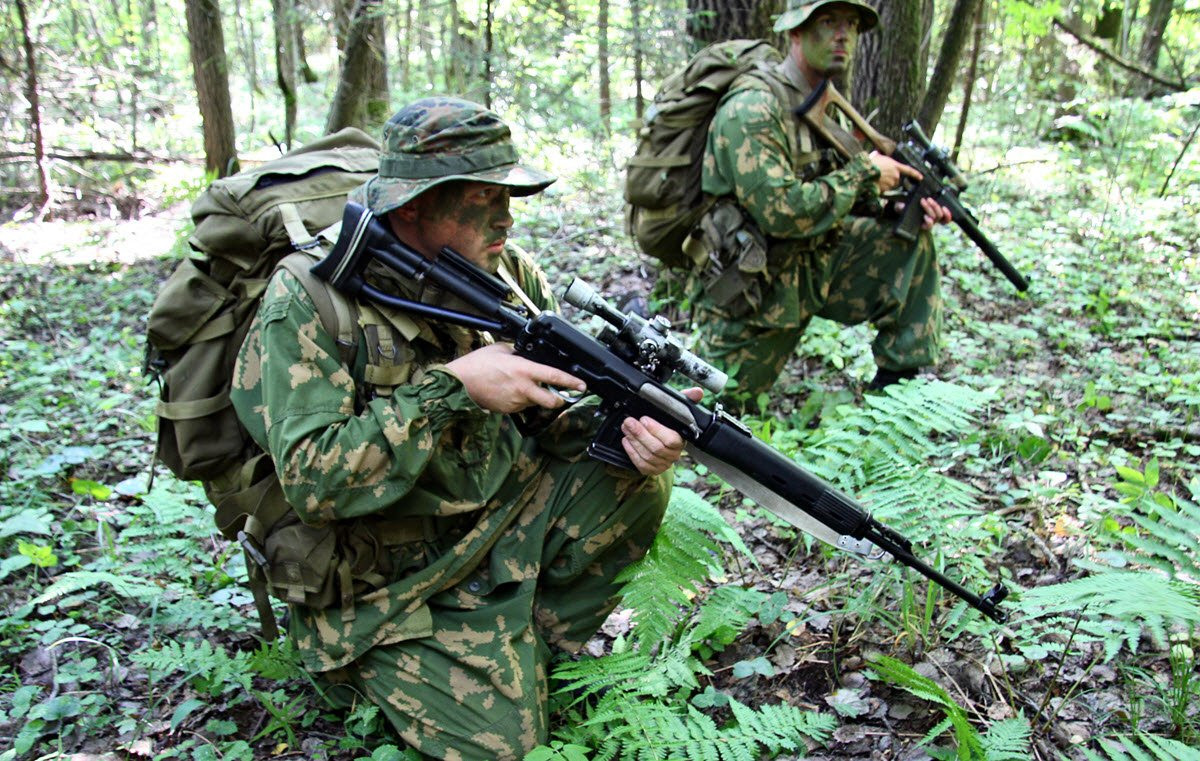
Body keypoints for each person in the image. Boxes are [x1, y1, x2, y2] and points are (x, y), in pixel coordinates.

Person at [230, 97, 698, 760]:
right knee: (505, 751)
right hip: (381, 586)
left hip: (488, 529)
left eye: (510, 194)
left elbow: (554, 425)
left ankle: (528, 646)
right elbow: (314, 482)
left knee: (630, 479)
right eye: (481, 198)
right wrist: (453, 389)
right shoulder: (310, 298)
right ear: (411, 205)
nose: (505, 216)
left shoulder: (511, 277)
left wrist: (632, 431)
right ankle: (365, 673)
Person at [685, 0, 953, 405]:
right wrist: (864, 173)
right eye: (828, 22)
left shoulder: (821, 104)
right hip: (752, 291)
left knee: (907, 242)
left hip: (810, 270)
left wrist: (893, 207)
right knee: (715, 413)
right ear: (796, 31)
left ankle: (896, 403)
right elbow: (781, 212)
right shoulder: (754, 105)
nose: (843, 34)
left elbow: (830, 188)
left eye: (851, 24)